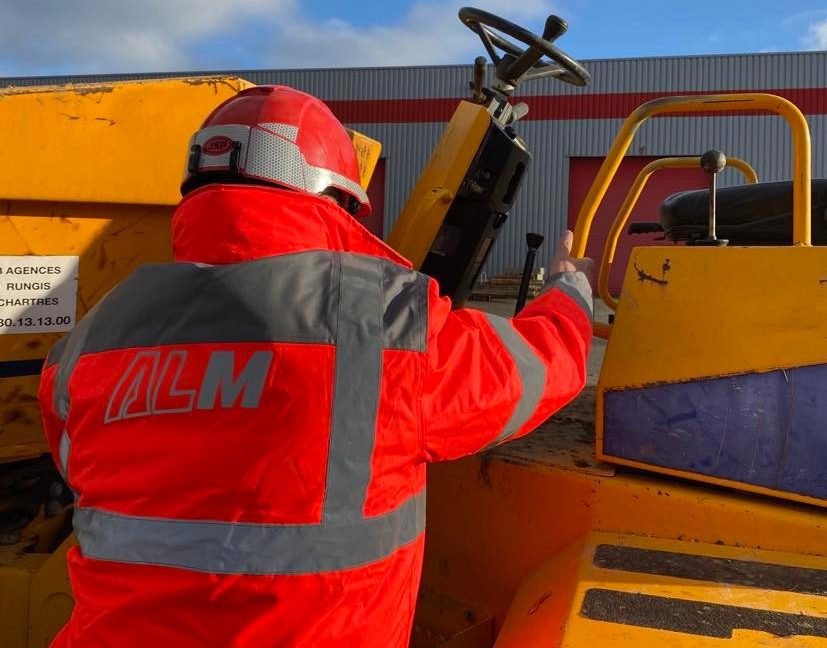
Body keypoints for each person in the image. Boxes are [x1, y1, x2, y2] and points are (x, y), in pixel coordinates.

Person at [38, 85, 593, 647]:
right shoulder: (382, 321)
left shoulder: (96, 332)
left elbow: (73, 458)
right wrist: (571, 290)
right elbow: (539, 368)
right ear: (337, 199)